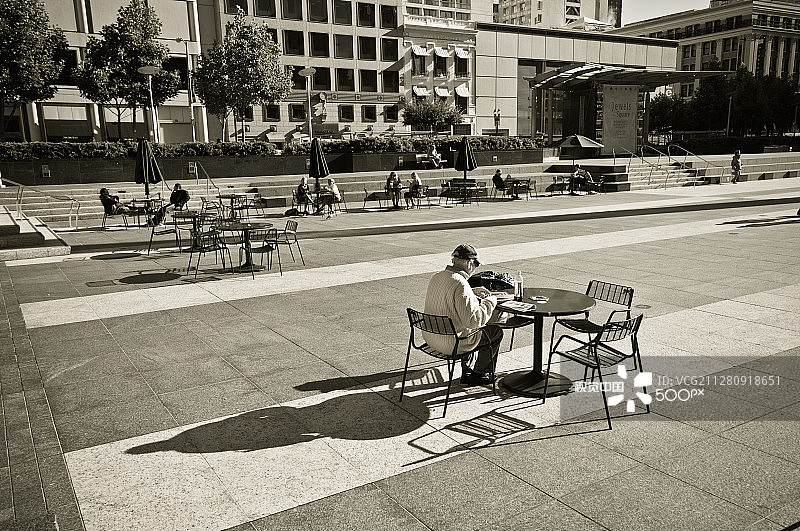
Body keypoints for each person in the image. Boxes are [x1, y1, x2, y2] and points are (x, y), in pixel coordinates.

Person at [423, 244, 504, 386]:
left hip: (431, 338)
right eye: (476, 264)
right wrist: (491, 301)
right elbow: (474, 321)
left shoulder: (437, 276)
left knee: (464, 325)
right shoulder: (460, 283)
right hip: (450, 344)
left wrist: (471, 292)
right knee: (494, 332)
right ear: (468, 263)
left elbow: (449, 296)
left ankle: (467, 370)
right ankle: (479, 374)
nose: (476, 268)